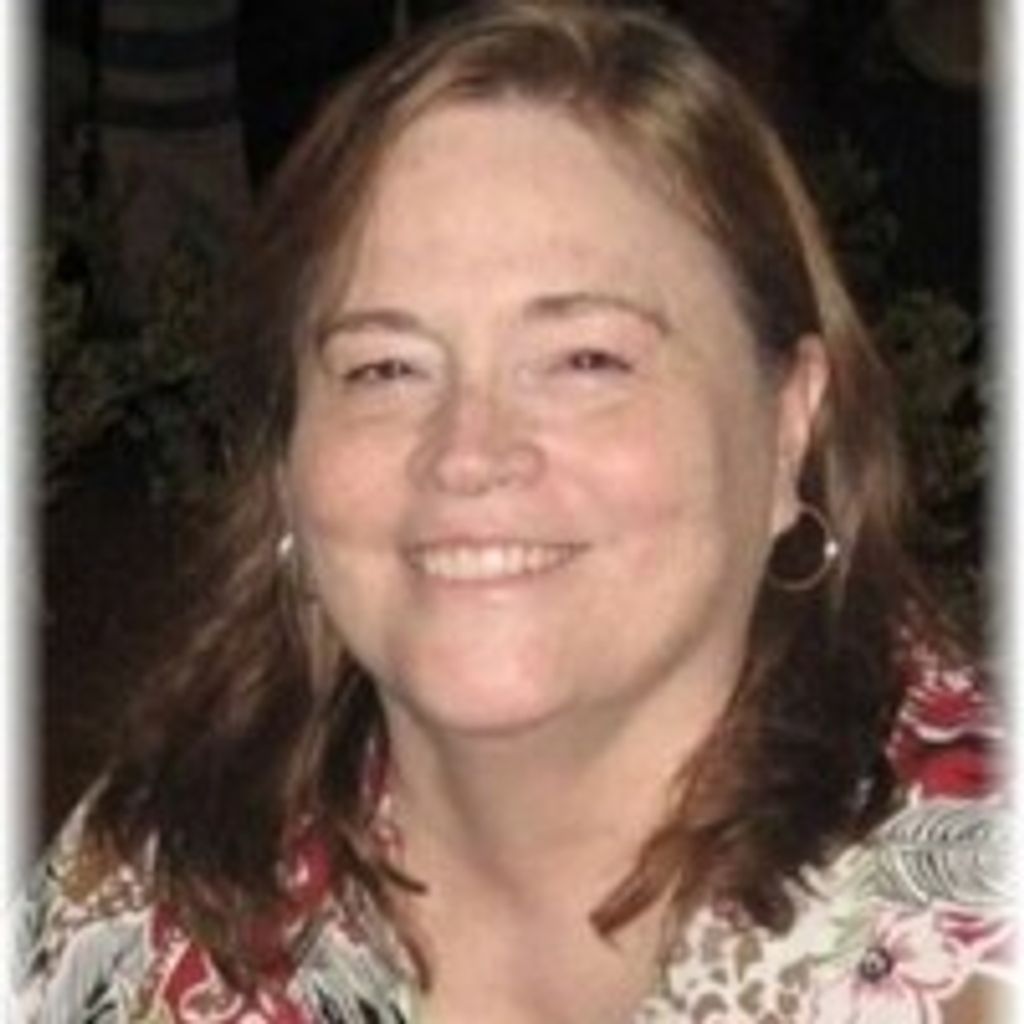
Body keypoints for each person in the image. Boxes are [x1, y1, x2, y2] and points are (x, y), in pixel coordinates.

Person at [14, 2, 1010, 1021]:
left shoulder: (978, 938)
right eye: (385, 367)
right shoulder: (161, 888)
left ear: (790, 424)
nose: (468, 453)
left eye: (586, 359)